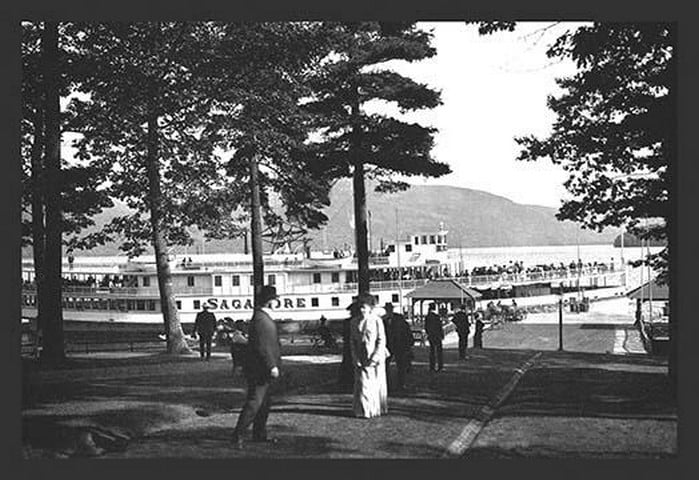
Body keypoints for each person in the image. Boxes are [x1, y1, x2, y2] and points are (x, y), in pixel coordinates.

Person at [231, 285, 282, 448]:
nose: (277, 302)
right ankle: (237, 435)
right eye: (275, 300)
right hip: (260, 369)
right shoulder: (261, 319)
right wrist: (271, 365)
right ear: (269, 301)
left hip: (261, 368)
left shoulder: (261, 317)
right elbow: (262, 346)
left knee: (264, 403)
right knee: (255, 402)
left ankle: (259, 434)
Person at [349, 293, 388, 418]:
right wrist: (355, 357)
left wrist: (375, 357)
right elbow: (352, 342)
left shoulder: (377, 321)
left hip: (374, 358)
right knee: (362, 384)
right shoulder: (354, 322)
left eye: (364, 307)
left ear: (370, 308)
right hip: (360, 357)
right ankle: (362, 410)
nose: (362, 310)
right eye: (360, 307)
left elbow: (381, 340)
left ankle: (373, 409)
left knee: (375, 384)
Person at [382, 303, 413, 392]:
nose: (389, 311)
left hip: (399, 346)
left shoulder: (399, 318)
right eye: (387, 309)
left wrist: (409, 342)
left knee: (401, 366)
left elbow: (406, 330)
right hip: (387, 346)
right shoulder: (382, 320)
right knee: (385, 367)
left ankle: (401, 384)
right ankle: (387, 385)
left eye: (390, 309)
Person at [424, 303, 444, 372]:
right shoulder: (437, 316)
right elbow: (440, 326)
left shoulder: (427, 317)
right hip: (437, 335)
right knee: (439, 351)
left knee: (432, 351)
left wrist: (428, 333)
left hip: (431, 335)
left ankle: (432, 366)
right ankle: (440, 366)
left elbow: (426, 327)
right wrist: (442, 334)